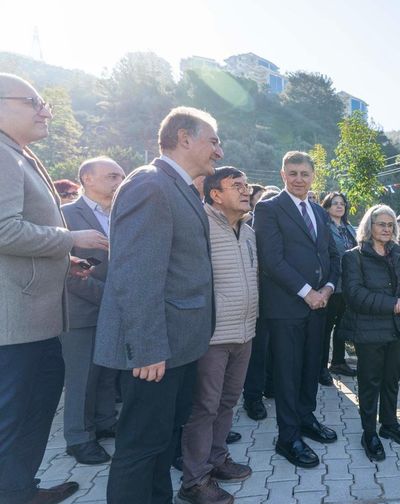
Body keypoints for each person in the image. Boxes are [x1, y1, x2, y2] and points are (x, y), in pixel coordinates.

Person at [94, 107, 221, 503]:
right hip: (155, 352)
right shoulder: (150, 185)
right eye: (213, 141)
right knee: (140, 446)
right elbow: (136, 275)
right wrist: (148, 347)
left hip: (177, 346)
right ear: (184, 138)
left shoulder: (178, 186)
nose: (219, 151)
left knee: (161, 443)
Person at [0, 74, 109, 504]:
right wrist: (70, 240)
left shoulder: (17, 153)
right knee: (15, 416)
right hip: (16, 323)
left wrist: (65, 262)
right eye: (35, 102)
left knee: (32, 411)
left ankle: (19, 489)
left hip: (37, 316)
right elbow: (4, 230)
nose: (46, 110)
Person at [254, 151, 341, 468]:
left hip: (319, 306)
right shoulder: (268, 209)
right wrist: (307, 293)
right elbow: (272, 260)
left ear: (313, 176)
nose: (299, 179)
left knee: (309, 369)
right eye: (293, 173)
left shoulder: (318, 211)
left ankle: (306, 418)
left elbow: (332, 255)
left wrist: (328, 288)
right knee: (288, 374)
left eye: (304, 173)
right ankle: (287, 437)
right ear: (283, 175)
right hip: (287, 307)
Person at [178, 167, 257, 504]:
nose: (246, 191)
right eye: (236, 186)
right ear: (215, 194)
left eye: (247, 185)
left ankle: (217, 458)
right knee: (204, 407)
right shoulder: (201, 225)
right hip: (212, 336)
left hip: (245, 331)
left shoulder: (248, 231)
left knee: (227, 402)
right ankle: (194, 481)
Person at [59, 157, 125, 465]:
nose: (119, 182)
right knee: (82, 378)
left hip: (115, 308)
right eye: (112, 176)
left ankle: (104, 422)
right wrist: (110, 296)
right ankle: (79, 438)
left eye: (121, 176)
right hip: (82, 311)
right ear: (87, 179)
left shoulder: (121, 212)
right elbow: (66, 269)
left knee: (107, 371)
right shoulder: (66, 215)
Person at [340, 204, 400, 462]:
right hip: (369, 331)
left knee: (391, 381)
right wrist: (393, 304)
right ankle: (369, 433)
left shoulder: (399, 253)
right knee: (369, 383)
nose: (386, 228)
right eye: (381, 224)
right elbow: (355, 294)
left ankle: (389, 424)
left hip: (397, 329)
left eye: (390, 225)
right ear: (369, 226)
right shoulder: (353, 257)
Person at [242, 190, 277, 421]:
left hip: (283, 299)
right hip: (258, 299)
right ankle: (252, 397)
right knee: (258, 350)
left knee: (277, 348)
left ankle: (272, 385)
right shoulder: (249, 229)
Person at [320, 192, 358, 383]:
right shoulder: (323, 227)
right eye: (335, 203)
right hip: (331, 284)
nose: (339, 206)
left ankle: (338, 362)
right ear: (327, 207)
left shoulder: (350, 228)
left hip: (349, 286)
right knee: (326, 328)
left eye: (342, 203)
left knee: (342, 326)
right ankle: (321, 367)